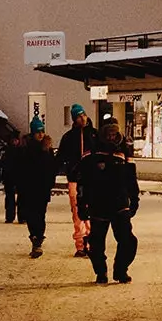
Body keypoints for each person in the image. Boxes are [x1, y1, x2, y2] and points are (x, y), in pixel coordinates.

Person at [76, 118, 141, 285]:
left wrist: (134, 198)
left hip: (120, 203)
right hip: (98, 203)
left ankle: (121, 270)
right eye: (109, 133)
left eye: (114, 133)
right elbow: (83, 179)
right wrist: (82, 203)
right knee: (96, 243)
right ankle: (101, 272)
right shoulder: (92, 151)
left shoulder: (124, 149)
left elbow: (131, 177)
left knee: (128, 240)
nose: (112, 136)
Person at [56, 103, 94, 258]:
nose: (82, 118)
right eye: (79, 116)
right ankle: (80, 244)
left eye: (83, 115)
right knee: (77, 213)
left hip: (91, 179)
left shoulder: (93, 135)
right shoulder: (69, 138)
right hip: (75, 179)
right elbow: (60, 158)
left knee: (91, 212)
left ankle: (91, 243)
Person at [16, 124, 57, 257]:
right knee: (30, 214)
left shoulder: (47, 148)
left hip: (42, 187)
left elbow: (52, 167)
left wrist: (50, 183)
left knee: (40, 214)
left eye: (42, 131)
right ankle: (35, 236)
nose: (40, 134)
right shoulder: (25, 149)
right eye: (38, 132)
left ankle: (38, 239)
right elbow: (20, 168)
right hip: (28, 187)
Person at [0, 129, 25, 223]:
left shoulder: (21, 150)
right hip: (10, 176)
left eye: (16, 140)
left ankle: (21, 216)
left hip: (18, 176)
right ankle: (11, 216)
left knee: (20, 197)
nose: (15, 142)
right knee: (11, 197)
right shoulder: (6, 151)